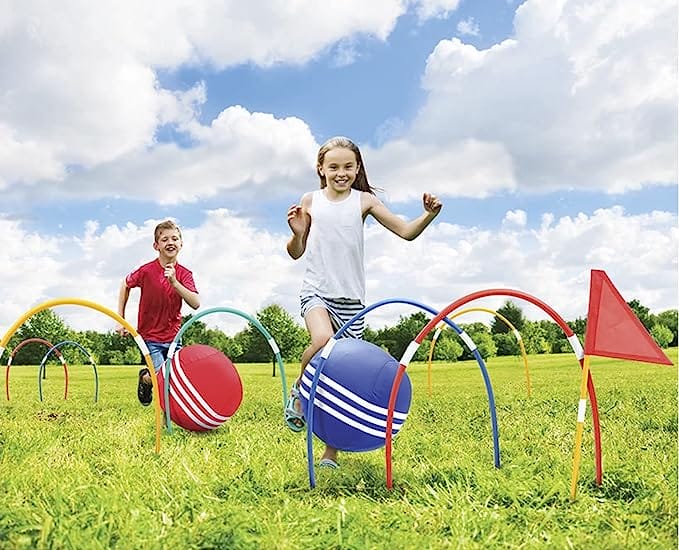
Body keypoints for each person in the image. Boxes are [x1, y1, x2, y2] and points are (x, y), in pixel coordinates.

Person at [285, 136, 442, 468]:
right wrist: (298, 233)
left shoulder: (364, 201)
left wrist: (427, 215)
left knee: (339, 374)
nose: (341, 173)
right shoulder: (310, 201)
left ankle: (331, 452)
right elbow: (296, 252)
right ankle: (300, 390)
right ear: (321, 169)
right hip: (317, 290)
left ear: (357, 169)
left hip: (353, 300)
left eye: (347, 167)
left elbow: (406, 232)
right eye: (334, 167)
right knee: (323, 342)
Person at [116, 220, 200, 405]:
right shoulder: (146, 271)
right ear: (156, 245)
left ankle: (146, 378)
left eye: (175, 238)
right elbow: (125, 284)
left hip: (174, 337)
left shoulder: (185, 274)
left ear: (181, 244)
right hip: (150, 337)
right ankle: (164, 415)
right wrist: (120, 319)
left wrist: (175, 283)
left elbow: (196, 303)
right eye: (164, 239)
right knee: (163, 378)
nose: (170, 242)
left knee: (173, 377)